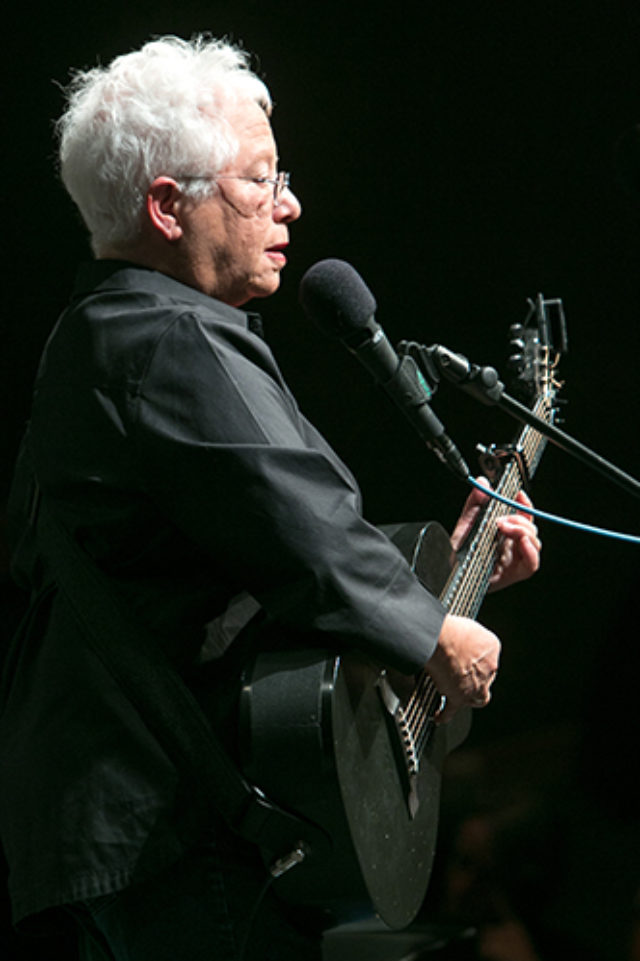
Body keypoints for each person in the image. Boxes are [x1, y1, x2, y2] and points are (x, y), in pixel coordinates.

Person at [0, 34, 541, 961]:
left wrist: (446, 572)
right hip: (171, 835)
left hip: (111, 834)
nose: (289, 204)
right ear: (167, 208)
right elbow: (305, 533)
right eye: (258, 181)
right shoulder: (169, 338)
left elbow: (256, 541)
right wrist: (433, 632)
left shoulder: (96, 338)